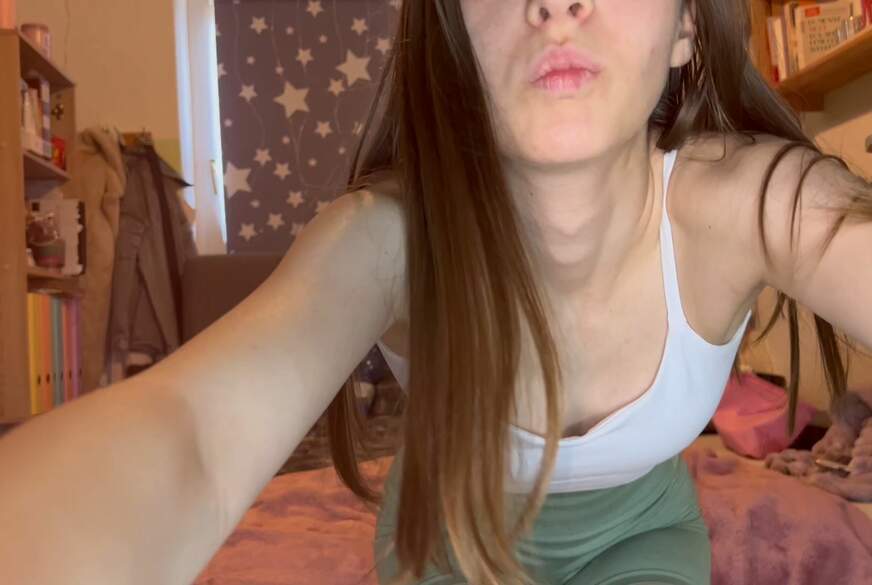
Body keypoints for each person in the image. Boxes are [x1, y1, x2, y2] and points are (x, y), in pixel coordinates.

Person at [1, 0, 870, 584]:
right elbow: (192, 438)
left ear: (686, 24)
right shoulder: (383, 238)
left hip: (645, 532)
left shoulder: (757, 205)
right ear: (449, 30)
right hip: (447, 540)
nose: (554, 4)